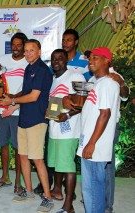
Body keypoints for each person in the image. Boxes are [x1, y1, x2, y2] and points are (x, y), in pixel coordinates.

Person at [0, 39, 54, 212]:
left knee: (37, 159)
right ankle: (29, 191)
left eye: (32, 50)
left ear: (39, 51)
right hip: (23, 118)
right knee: (23, 155)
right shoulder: (28, 68)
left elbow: (33, 97)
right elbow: (25, 93)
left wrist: (13, 99)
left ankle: (48, 198)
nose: (28, 53)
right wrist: (12, 107)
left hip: (37, 120)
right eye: (26, 50)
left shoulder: (42, 70)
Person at [76, 47, 119, 212]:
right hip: (89, 143)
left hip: (96, 147)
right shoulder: (97, 83)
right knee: (90, 189)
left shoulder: (107, 83)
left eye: (95, 58)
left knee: (93, 189)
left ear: (107, 60)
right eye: (89, 58)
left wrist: (92, 143)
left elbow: (105, 114)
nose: (90, 61)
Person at [47, 49, 85, 213]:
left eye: (60, 58)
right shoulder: (55, 79)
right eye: (54, 59)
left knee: (68, 166)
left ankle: (69, 206)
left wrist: (68, 115)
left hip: (69, 132)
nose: (56, 61)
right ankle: (57, 191)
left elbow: (83, 102)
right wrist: (49, 113)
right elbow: (56, 104)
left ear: (66, 60)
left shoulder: (75, 76)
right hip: (55, 129)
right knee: (57, 164)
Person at [0, 32, 28, 194]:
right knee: (3, 144)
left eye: (19, 45)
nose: (16, 48)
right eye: (14, 44)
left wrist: (13, 102)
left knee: (18, 148)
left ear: (25, 46)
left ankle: (18, 182)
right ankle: (5, 177)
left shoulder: (29, 63)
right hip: (1, 110)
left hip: (18, 111)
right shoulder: (1, 60)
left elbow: (28, 91)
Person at [104, 66, 129, 213]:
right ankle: (98, 196)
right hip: (93, 127)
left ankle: (107, 204)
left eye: (95, 58)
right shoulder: (94, 77)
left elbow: (125, 96)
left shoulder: (115, 76)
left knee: (107, 165)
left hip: (110, 126)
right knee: (96, 165)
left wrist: (121, 83)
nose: (91, 61)